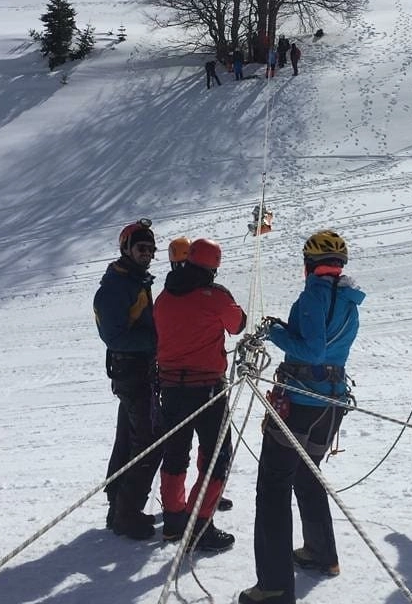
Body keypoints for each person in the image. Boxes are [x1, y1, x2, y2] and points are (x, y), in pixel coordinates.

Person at [241, 230, 365, 604]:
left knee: (273, 488)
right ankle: (320, 552)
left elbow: (310, 351)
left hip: (300, 400)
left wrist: (277, 331)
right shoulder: (348, 299)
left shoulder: (314, 295)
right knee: (307, 474)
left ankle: (274, 587)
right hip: (331, 403)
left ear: (309, 264)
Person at [154, 238, 246, 551]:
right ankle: (200, 523)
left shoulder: (164, 296)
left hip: (171, 387)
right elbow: (237, 324)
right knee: (216, 455)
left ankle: (173, 520)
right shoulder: (215, 296)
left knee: (175, 453)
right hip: (206, 388)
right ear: (213, 267)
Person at [94, 218, 163, 540]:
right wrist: (158, 341)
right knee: (148, 441)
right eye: (141, 247)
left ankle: (117, 502)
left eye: (150, 248)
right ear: (126, 248)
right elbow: (115, 337)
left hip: (137, 369)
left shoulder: (135, 280)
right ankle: (127, 512)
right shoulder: (116, 287)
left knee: (129, 436)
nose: (147, 253)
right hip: (132, 370)